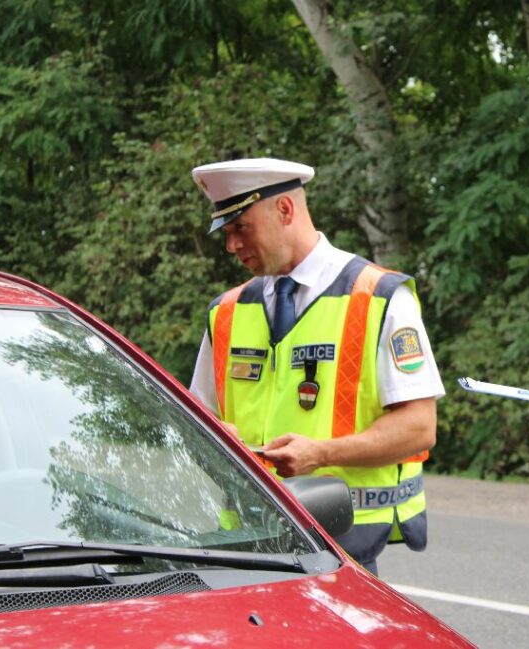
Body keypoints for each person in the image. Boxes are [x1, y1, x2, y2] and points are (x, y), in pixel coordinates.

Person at [188, 158, 443, 575]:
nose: (231, 245)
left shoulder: (378, 297)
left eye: (240, 228)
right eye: (226, 233)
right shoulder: (228, 312)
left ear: (284, 210)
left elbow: (418, 427)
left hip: (341, 550)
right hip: (244, 545)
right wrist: (216, 437)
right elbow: (196, 420)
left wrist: (321, 453)